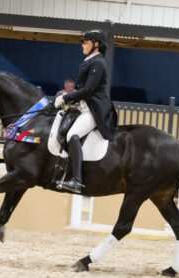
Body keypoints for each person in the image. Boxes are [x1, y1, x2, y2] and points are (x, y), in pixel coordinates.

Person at [54, 29, 117, 193]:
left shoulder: (98, 62)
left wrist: (67, 98)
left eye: (86, 42)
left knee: (72, 135)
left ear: (96, 44)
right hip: (86, 107)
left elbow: (88, 89)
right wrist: (68, 97)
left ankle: (77, 181)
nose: (83, 45)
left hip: (96, 110)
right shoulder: (90, 60)